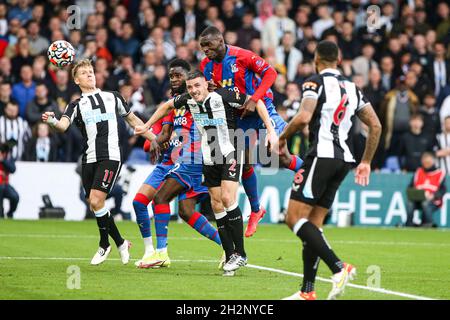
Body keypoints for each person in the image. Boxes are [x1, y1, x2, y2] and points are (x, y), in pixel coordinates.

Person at [136, 70, 278, 275]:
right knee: (216, 203)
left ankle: (241, 254)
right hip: (209, 156)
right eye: (190, 87)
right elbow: (167, 106)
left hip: (231, 151)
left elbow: (258, 103)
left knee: (228, 198)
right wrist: (146, 126)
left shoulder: (224, 95)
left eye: (197, 86)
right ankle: (230, 254)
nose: (194, 90)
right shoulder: (188, 100)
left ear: (205, 84)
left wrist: (271, 131)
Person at [274, 41, 382, 300]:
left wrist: (281, 138)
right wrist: (365, 161)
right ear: (339, 59)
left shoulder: (314, 82)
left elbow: (302, 117)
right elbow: (375, 125)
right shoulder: (352, 87)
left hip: (321, 156)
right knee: (313, 224)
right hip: (344, 160)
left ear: (316, 59)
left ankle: (338, 267)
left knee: (293, 217)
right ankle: (307, 292)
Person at [41, 59, 158, 266]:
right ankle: (121, 242)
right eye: (84, 73)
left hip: (111, 156)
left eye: (91, 71)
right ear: (76, 80)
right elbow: (62, 126)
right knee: (96, 204)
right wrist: (51, 120)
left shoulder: (113, 97)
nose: (89, 74)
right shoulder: (76, 104)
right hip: (89, 157)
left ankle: (105, 244)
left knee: (96, 201)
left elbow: (134, 121)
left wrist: (154, 139)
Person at [198, 26, 303, 238]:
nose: (205, 51)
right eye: (202, 47)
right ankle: (256, 210)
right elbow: (214, 90)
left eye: (208, 46)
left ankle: (310, 172)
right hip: (240, 117)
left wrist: (254, 99)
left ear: (220, 41)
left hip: (262, 108)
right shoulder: (205, 65)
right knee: (244, 163)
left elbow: (271, 73)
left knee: (280, 154)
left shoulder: (242, 56)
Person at [132, 59, 222, 268]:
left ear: (189, 77)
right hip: (170, 160)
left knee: (161, 198)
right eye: (171, 76)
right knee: (184, 211)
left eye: (178, 75)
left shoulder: (198, 96)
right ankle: (229, 247)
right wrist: (154, 141)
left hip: (191, 158)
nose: (174, 79)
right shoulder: (174, 103)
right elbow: (165, 133)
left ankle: (160, 253)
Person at [405, 152, 445, 228]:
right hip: (417, 199)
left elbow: (442, 190)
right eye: (425, 162)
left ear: (433, 162)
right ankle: (409, 224)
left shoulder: (439, 173)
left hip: (433, 201)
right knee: (409, 202)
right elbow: (410, 187)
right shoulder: (418, 172)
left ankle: (428, 223)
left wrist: (433, 196)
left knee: (425, 203)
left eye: (428, 162)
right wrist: (415, 193)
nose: (426, 164)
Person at [0, 140, 19, 219]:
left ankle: (10, 213)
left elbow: (12, 169)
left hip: (5, 184)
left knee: (15, 197)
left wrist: (3, 160)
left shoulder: (8, 159)